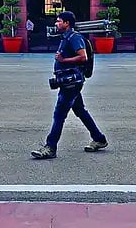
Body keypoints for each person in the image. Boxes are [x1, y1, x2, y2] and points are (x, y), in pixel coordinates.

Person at [31, 10, 108, 160]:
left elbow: (83, 57)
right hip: (68, 81)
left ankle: (50, 147)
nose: (56, 23)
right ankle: (99, 139)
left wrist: (63, 60)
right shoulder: (66, 37)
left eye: (59, 21)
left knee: (59, 115)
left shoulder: (74, 38)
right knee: (80, 111)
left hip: (71, 83)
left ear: (67, 23)